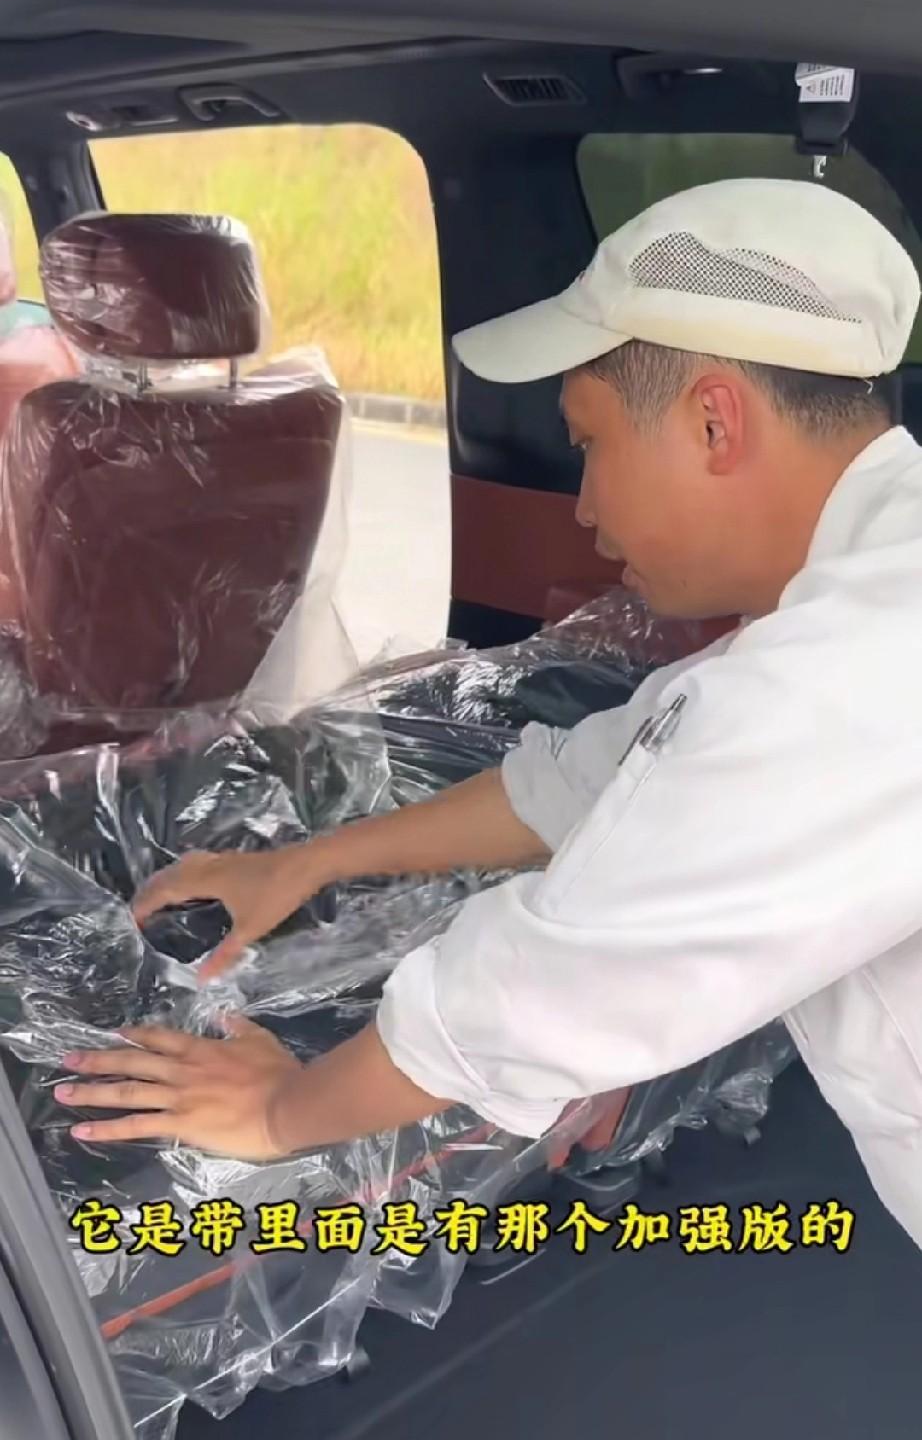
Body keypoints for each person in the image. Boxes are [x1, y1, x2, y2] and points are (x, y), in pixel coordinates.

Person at [56, 176, 922, 1252]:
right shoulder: (867, 591)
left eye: (588, 444)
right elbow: (597, 774)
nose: (586, 506)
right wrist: (308, 862)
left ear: (713, 420)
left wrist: (277, 1110)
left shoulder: (846, 675)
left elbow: (542, 993)